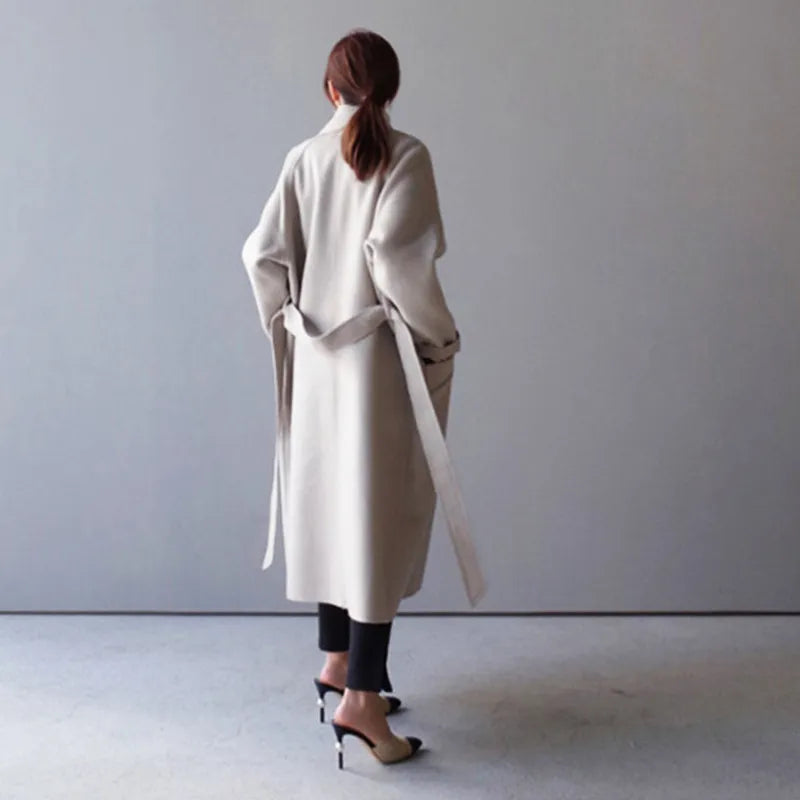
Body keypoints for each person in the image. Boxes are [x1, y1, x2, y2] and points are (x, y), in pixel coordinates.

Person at [241, 28, 486, 768]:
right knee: (375, 522)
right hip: (377, 365)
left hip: (318, 366)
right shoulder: (406, 156)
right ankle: (363, 703)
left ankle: (338, 664)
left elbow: (261, 255)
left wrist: (288, 323)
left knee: (331, 510)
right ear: (392, 89)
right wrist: (439, 338)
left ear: (330, 90)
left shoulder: (302, 158)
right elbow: (399, 263)